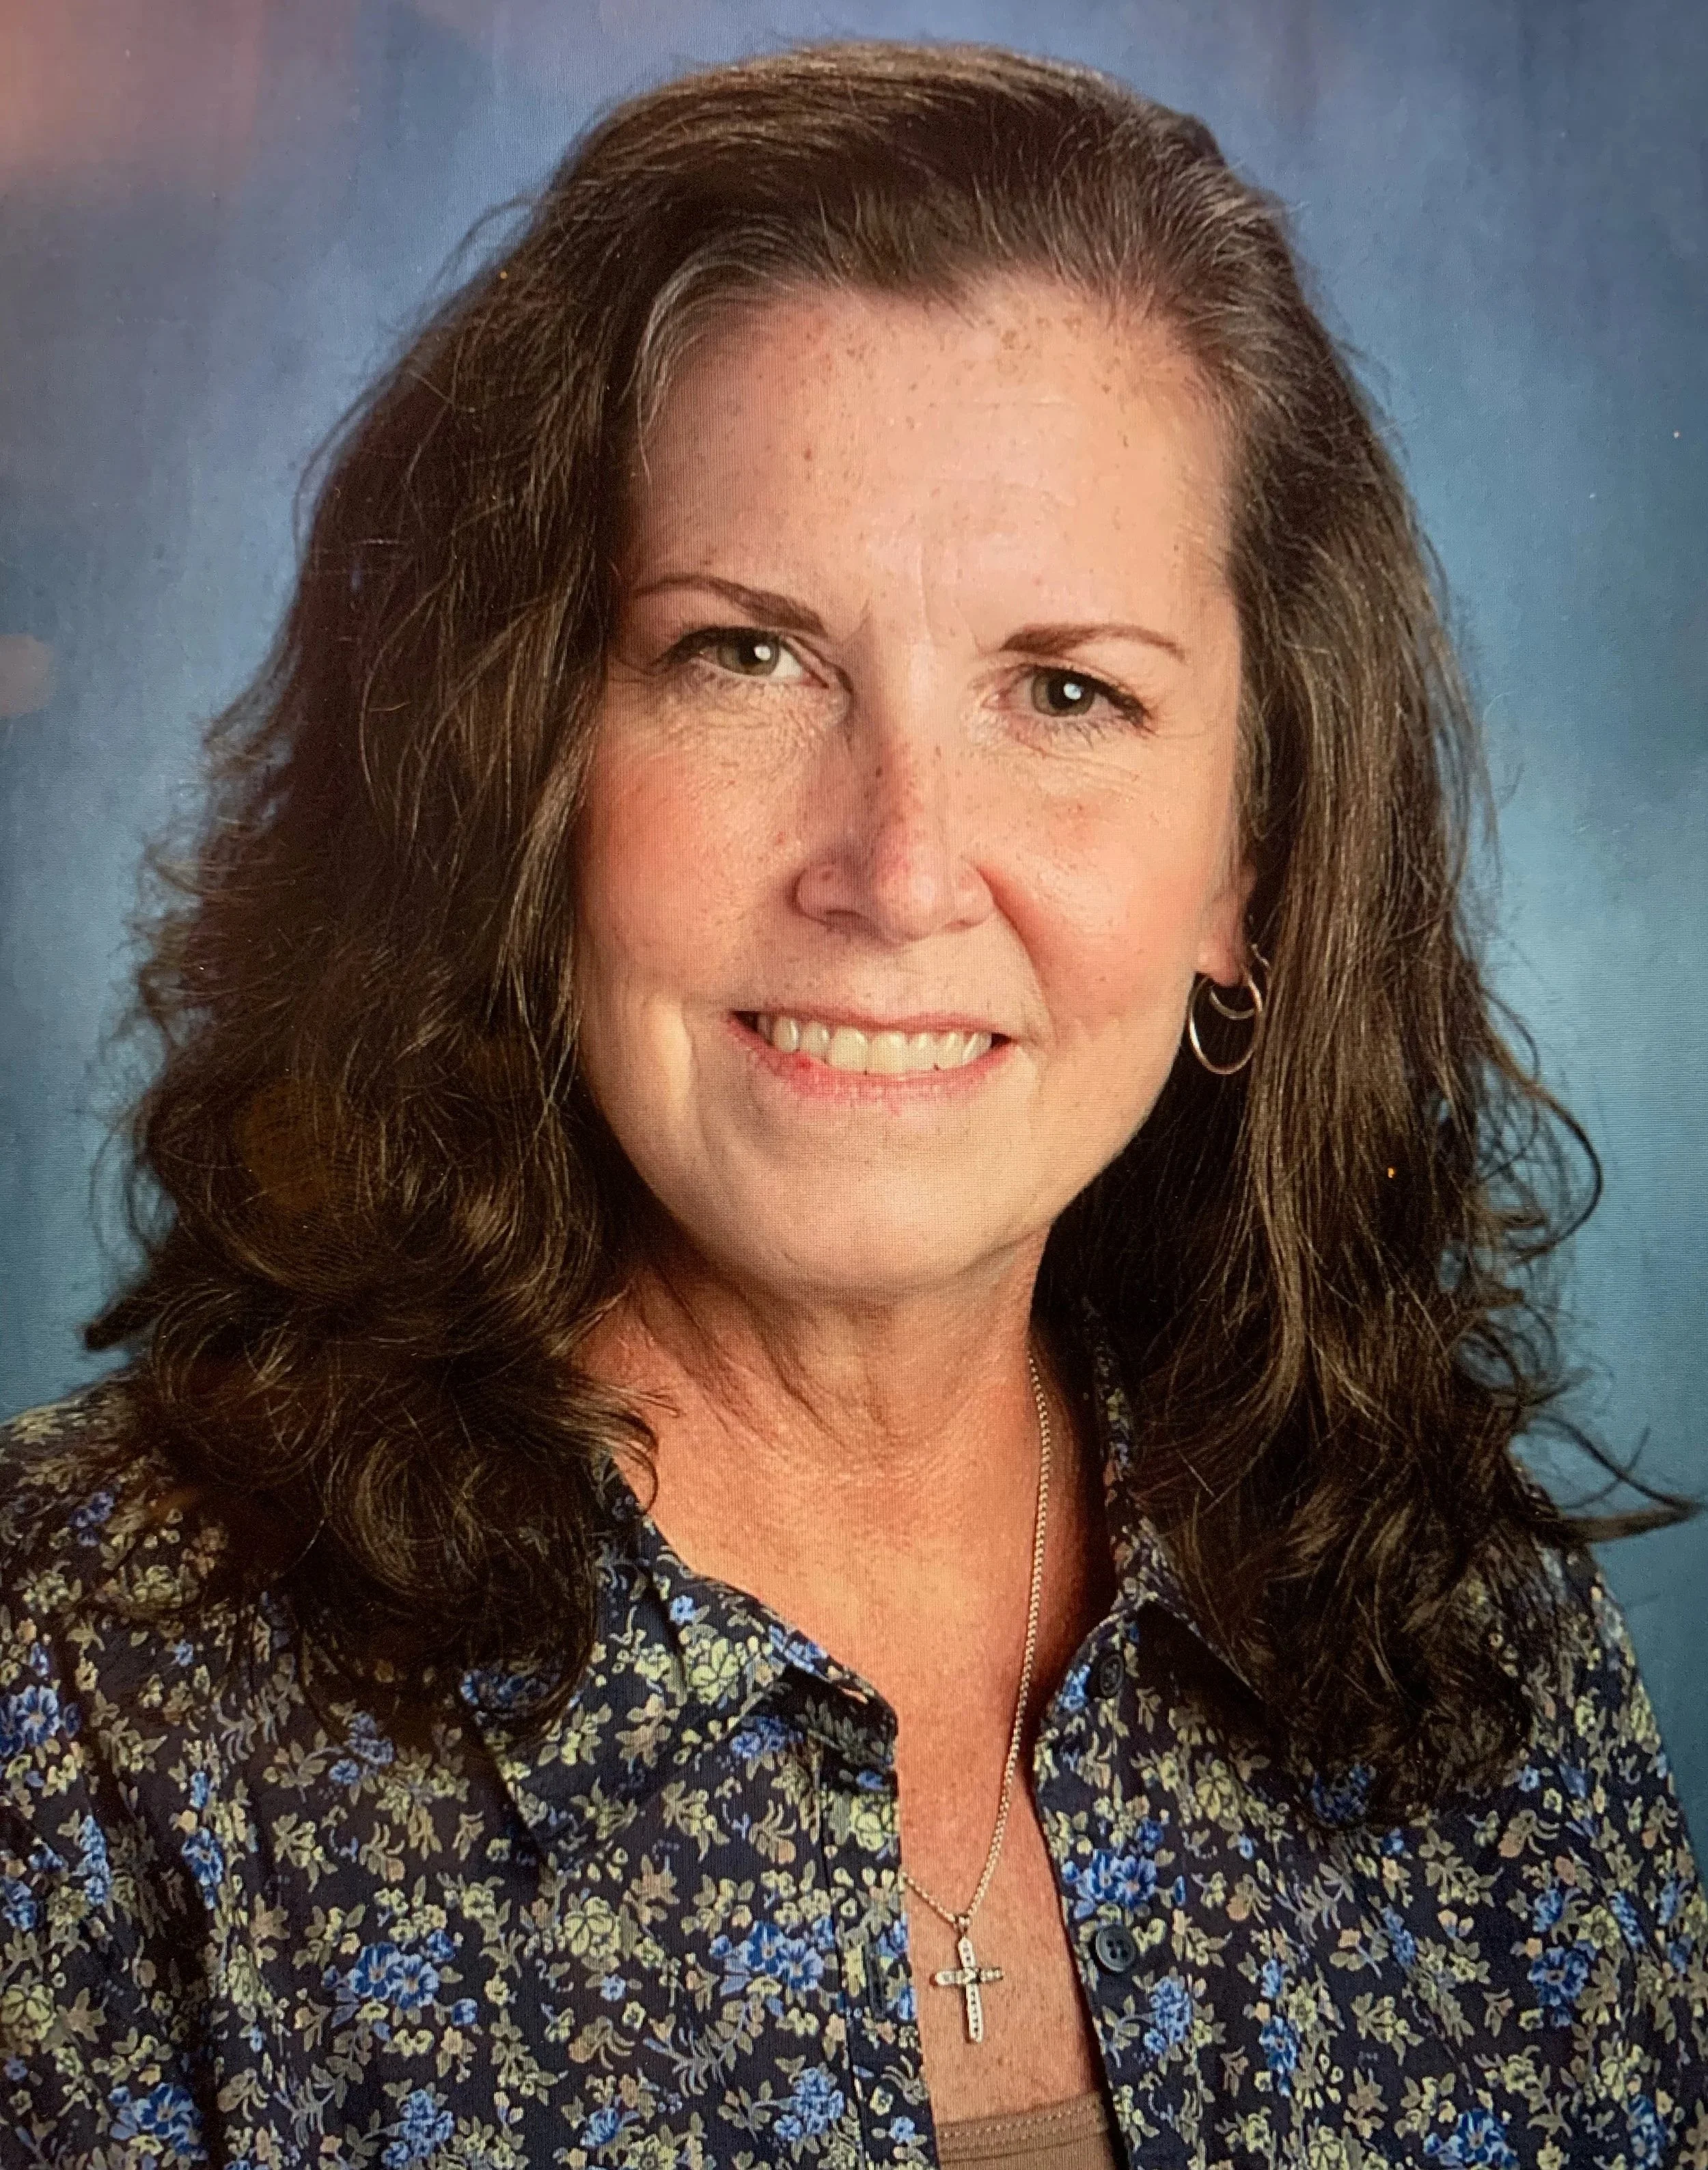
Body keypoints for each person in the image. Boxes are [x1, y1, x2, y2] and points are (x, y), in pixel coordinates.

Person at [1, 40, 1701, 2170]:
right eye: (744, 656)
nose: (896, 873)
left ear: (1248, 869)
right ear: (513, 766)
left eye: (1064, 691)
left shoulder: (1479, 1653)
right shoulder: (67, 1702)